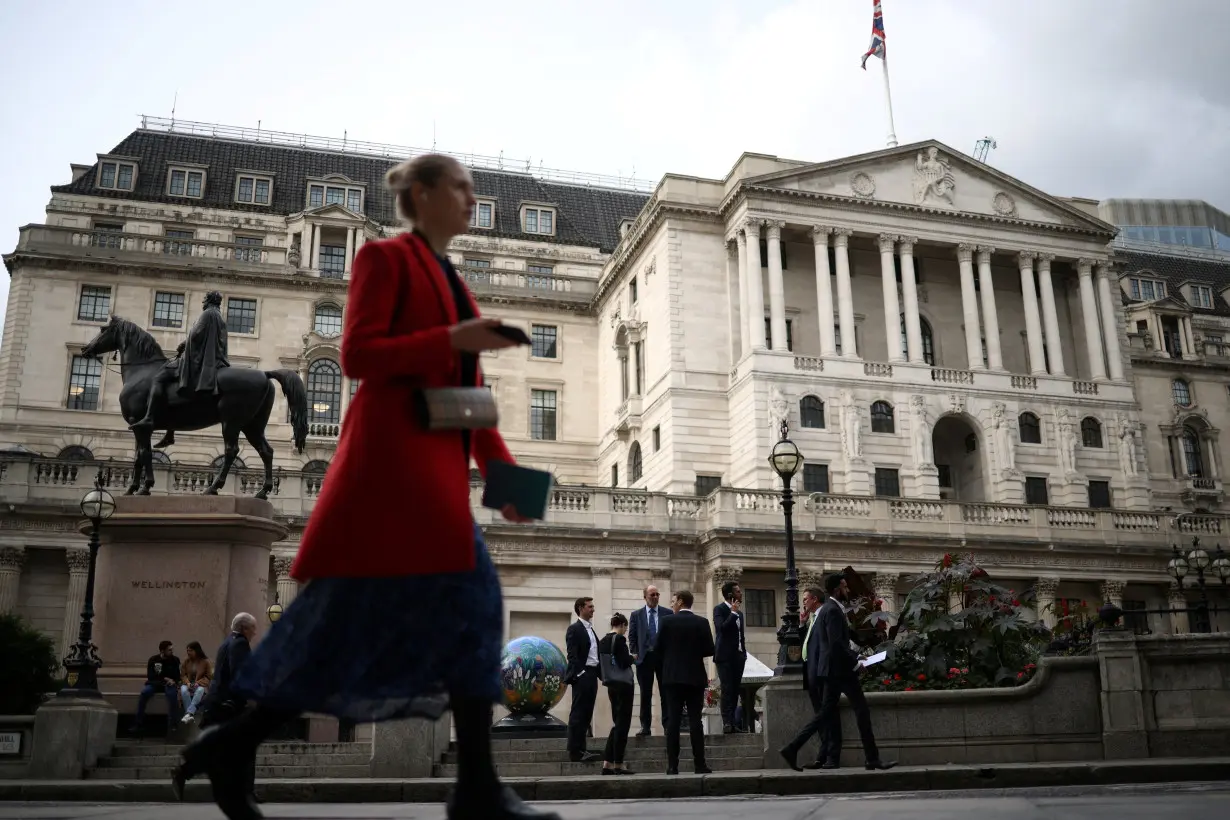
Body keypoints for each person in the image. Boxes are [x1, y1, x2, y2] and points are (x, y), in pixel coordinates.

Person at [170, 154, 557, 820]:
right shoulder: (384, 260)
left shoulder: (454, 280)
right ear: (423, 195)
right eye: (460, 188)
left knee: (345, 626)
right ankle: (478, 792)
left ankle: (235, 741)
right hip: (389, 473)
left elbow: (467, 393)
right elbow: (358, 355)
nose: (472, 198)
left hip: (430, 476)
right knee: (467, 601)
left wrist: (504, 475)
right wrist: (453, 336)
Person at [781, 573, 896, 773]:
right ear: (836, 589)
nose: (847, 590)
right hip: (841, 670)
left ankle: (793, 748)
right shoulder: (832, 610)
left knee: (825, 713)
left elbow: (836, 643)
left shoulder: (828, 609)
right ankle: (872, 759)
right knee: (861, 711)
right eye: (844, 586)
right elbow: (836, 644)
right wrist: (856, 661)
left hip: (832, 671)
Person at [130, 290, 230, 434]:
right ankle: (170, 432)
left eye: (204, 299)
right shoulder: (219, 316)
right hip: (210, 359)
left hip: (198, 360)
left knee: (159, 378)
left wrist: (184, 344)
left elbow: (196, 333)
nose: (203, 302)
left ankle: (149, 418)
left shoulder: (207, 314)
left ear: (208, 300)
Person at [779, 587, 839, 769]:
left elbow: (830, 645)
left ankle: (831, 757)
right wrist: (803, 625)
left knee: (828, 716)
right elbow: (808, 644)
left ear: (814, 599)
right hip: (812, 672)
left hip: (823, 672)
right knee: (821, 716)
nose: (803, 602)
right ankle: (822, 756)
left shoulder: (826, 614)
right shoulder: (812, 619)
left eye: (805, 599)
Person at [655, 590, 714, 775]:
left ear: (680, 602)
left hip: (672, 677)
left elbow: (657, 648)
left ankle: (673, 765)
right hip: (695, 676)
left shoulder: (666, 621)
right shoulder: (702, 622)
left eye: (673, 601)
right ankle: (699, 764)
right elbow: (709, 649)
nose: (672, 604)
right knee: (696, 721)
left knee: (673, 721)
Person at [627, 584, 671, 736]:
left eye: (657, 594)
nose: (655, 597)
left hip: (662, 658)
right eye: (652, 595)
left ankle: (667, 726)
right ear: (644, 596)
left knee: (665, 693)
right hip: (644, 659)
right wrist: (635, 652)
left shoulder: (667, 613)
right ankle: (645, 727)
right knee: (645, 694)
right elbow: (632, 636)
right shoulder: (636, 615)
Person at [563, 597, 602, 763]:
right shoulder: (574, 629)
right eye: (590, 606)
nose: (593, 609)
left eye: (593, 606)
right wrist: (579, 673)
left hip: (593, 674)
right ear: (581, 608)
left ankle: (582, 749)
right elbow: (572, 655)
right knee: (578, 713)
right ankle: (574, 751)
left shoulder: (591, 630)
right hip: (583, 675)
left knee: (587, 713)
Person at [597, 612, 635, 775]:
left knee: (616, 723)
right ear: (622, 625)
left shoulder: (603, 640)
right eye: (625, 628)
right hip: (623, 685)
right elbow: (623, 660)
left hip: (611, 684)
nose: (625, 632)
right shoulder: (619, 639)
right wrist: (633, 657)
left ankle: (607, 763)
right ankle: (618, 763)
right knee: (623, 724)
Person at [712, 580, 747, 733]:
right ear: (730, 595)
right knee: (727, 689)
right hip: (724, 656)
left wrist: (744, 654)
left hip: (738, 657)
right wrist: (732, 613)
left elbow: (741, 636)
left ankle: (733, 722)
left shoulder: (740, 613)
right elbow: (721, 629)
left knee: (735, 690)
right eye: (738, 591)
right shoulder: (719, 609)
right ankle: (726, 722)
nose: (741, 594)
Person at [132, 640, 180, 734]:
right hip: (155, 684)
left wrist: (173, 681)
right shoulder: (154, 660)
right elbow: (151, 676)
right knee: (144, 693)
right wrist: (165, 679)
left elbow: (177, 676)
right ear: (162, 651)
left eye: (172, 649)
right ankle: (138, 723)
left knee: (172, 696)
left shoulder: (175, 660)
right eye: (169, 650)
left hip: (169, 685)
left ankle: (173, 723)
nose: (172, 651)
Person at [178, 641, 213, 724]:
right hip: (188, 684)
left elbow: (209, 676)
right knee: (183, 690)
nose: (188, 652)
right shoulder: (186, 661)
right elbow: (183, 675)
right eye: (187, 650)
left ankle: (188, 713)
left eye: (190, 650)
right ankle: (190, 715)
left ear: (196, 650)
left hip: (200, 684)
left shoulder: (205, 662)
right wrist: (187, 683)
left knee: (200, 690)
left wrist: (198, 683)